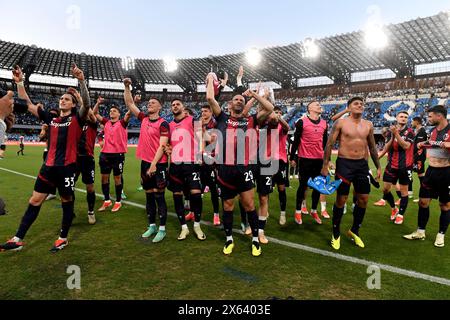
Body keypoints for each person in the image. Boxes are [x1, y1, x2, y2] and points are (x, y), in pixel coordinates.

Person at [0, 64, 90, 252]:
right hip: (47, 167)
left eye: (67, 99)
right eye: (62, 98)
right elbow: (28, 102)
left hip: (66, 168)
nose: (63, 100)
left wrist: (81, 81)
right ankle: (18, 239)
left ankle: (63, 238)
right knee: (34, 200)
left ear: (73, 104)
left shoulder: (77, 119)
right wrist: (20, 82)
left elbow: (87, 105)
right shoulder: (52, 119)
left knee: (67, 201)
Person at [206, 72, 274, 257]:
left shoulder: (251, 120)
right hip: (225, 169)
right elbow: (210, 98)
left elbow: (269, 107)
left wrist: (255, 95)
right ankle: (229, 239)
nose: (238, 101)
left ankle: (254, 239)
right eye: (235, 99)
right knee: (227, 206)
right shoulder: (221, 118)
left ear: (244, 104)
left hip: (244, 169)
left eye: (240, 100)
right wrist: (211, 79)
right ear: (229, 105)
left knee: (249, 205)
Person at [321, 97, 381, 251]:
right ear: (349, 107)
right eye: (356, 103)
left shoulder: (368, 124)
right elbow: (329, 143)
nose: (360, 105)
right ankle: (336, 232)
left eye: (361, 104)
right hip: (344, 164)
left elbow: (373, 148)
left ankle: (354, 230)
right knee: (342, 199)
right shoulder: (341, 122)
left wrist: (378, 167)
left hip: (362, 165)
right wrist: (325, 164)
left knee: (364, 199)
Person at [124, 78, 169, 243]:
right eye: (148, 102)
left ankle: (162, 229)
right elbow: (129, 103)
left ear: (159, 107)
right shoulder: (143, 118)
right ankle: (152, 226)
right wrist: (126, 86)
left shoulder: (163, 123)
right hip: (145, 164)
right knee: (149, 196)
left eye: (153, 103)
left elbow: (162, 146)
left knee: (159, 196)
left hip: (159, 164)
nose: (149, 104)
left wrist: (154, 164)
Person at [404, 105, 449, 248]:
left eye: (430, 116)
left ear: (439, 116)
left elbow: (447, 145)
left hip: (446, 172)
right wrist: (424, 145)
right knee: (423, 202)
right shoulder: (433, 131)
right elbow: (434, 146)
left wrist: (431, 143)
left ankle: (441, 234)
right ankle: (420, 231)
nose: (428, 119)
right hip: (431, 171)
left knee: (445, 205)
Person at [166, 98, 206, 241]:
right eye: (173, 104)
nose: (175, 106)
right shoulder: (169, 125)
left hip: (191, 162)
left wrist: (200, 156)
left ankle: (196, 225)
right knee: (177, 195)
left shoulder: (193, 120)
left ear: (183, 107)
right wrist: (168, 149)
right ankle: (184, 228)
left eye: (177, 104)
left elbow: (201, 138)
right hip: (176, 164)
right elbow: (168, 143)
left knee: (196, 193)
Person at [290, 101, 329, 225]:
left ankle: (313, 210)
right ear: (310, 108)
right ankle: (298, 211)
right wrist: (292, 158)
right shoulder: (302, 122)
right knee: (303, 186)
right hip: (305, 159)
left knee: (318, 186)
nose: (319, 105)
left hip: (318, 159)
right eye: (316, 104)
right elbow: (296, 141)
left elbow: (325, 143)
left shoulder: (324, 123)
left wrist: (326, 160)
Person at [93, 99, 131, 213]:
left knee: (117, 178)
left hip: (118, 155)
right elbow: (95, 114)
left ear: (119, 114)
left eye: (114, 111)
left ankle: (118, 201)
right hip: (104, 155)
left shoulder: (122, 123)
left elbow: (129, 113)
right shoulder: (106, 122)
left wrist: (133, 103)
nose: (112, 112)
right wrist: (98, 103)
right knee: (104, 178)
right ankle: (107, 200)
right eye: (111, 111)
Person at [378, 111, 415, 225]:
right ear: (397, 118)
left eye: (405, 117)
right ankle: (394, 208)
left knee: (404, 193)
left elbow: (405, 146)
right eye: (401, 116)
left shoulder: (410, 132)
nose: (403, 118)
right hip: (391, 166)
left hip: (405, 166)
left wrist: (396, 134)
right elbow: (386, 147)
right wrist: (377, 159)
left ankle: (400, 215)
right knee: (385, 189)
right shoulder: (391, 132)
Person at [75, 106, 99, 225]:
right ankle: (69, 211)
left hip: (87, 159)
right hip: (73, 158)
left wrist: (81, 99)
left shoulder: (92, 124)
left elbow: (90, 112)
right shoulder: (76, 123)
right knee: (69, 186)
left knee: (90, 187)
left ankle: (90, 212)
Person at [200, 104, 221, 226]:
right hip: (202, 160)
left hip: (213, 160)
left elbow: (211, 141)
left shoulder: (215, 124)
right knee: (198, 188)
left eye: (206, 111)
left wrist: (202, 129)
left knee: (213, 189)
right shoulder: (200, 124)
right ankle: (193, 211)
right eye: (202, 111)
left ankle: (216, 215)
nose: (203, 113)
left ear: (211, 112)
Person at [271, 107, 290, 226]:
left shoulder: (282, 127)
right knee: (266, 190)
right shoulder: (267, 125)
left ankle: (282, 213)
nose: (278, 115)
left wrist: (279, 119)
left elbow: (287, 127)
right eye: (275, 113)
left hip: (281, 161)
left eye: (280, 113)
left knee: (281, 188)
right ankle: (265, 211)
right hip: (267, 160)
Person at [39, 108, 60, 201]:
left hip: (56, 152)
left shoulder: (59, 124)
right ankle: (50, 191)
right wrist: (44, 130)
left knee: (53, 173)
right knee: (47, 173)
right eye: (51, 114)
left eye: (54, 114)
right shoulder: (46, 125)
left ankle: (52, 192)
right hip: (47, 151)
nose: (52, 116)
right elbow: (41, 138)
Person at [412, 117, 428, 203]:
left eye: (412, 121)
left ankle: (424, 195)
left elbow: (419, 146)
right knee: (419, 175)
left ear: (416, 122)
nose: (411, 123)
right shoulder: (418, 131)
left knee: (421, 176)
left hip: (419, 157)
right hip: (416, 157)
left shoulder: (422, 131)